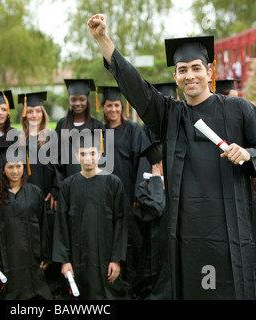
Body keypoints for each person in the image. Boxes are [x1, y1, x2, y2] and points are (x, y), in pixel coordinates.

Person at [88, 14, 256, 299]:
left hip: (231, 230)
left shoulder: (238, 109)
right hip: (188, 234)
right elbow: (136, 86)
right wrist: (102, 39)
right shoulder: (170, 114)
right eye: (182, 70)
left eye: (196, 68)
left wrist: (249, 153)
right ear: (176, 77)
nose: (190, 75)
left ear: (210, 71)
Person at [52, 132, 128, 300]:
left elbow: (121, 222)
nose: (88, 158)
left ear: (100, 154)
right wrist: (64, 261)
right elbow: (61, 224)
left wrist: (116, 259)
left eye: (92, 153)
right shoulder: (68, 186)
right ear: (77, 155)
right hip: (77, 258)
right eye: (83, 153)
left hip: (106, 258)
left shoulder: (113, 183)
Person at [98, 85, 149, 297]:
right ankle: (114, 282)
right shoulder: (98, 131)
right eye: (109, 105)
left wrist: (139, 192)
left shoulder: (134, 130)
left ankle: (135, 281)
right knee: (111, 237)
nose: (112, 109)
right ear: (103, 107)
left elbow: (143, 161)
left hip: (128, 192)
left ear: (122, 107)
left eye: (116, 105)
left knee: (133, 238)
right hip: (105, 195)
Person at [0, 146, 52, 300]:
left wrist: (46, 256)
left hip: (32, 259)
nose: (15, 171)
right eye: (10, 167)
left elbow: (44, 225)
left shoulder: (35, 192)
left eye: (18, 166)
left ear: (24, 166)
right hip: (6, 261)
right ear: (3, 170)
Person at [18, 91, 63, 295]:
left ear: (42, 113)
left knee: (49, 235)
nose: (34, 114)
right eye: (30, 111)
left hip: (47, 196)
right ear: (25, 115)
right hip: (29, 197)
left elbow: (59, 167)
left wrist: (55, 190)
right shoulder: (20, 140)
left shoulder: (51, 136)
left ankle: (53, 281)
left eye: (37, 110)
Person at [133, 141, 172, 300]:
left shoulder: (174, 185)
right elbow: (157, 207)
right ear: (156, 166)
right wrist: (156, 183)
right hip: (153, 244)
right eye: (164, 163)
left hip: (171, 242)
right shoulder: (143, 188)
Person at [55, 79, 105, 179]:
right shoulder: (62, 124)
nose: (77, 103)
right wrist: (60, 185)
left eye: (82, 99)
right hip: (67, 182)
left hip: (91, 181)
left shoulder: (97, 126)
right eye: (73, 100)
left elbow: (102, 157)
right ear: (69, 101)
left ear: (87, 100)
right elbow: (57, 158)